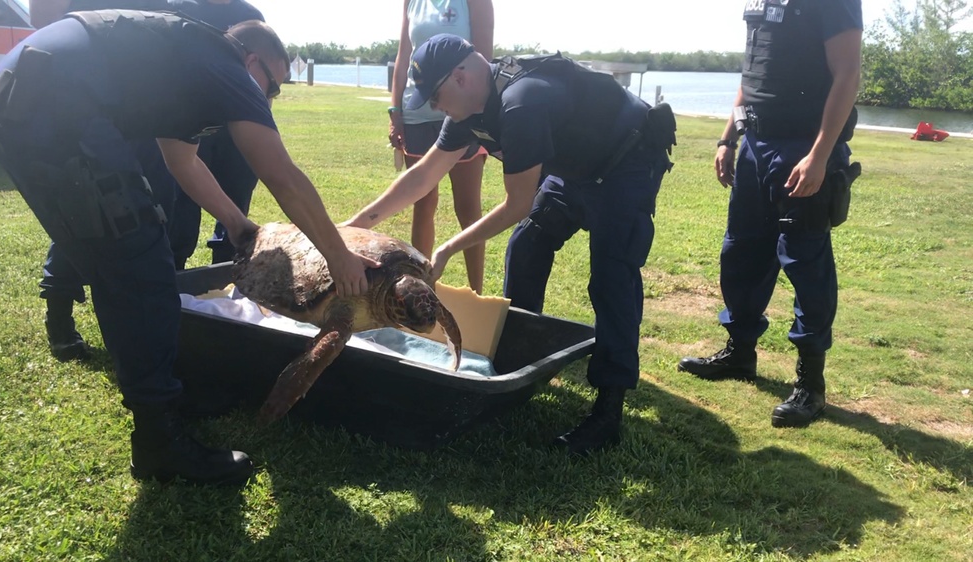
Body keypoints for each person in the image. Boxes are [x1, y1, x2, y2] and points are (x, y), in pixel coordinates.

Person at [0, 11, 377, 485]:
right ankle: (159, 443)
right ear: (252, 61)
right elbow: (283, 177)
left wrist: (236, 224)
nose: (266, 98)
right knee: (138, 264)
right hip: (52, 101)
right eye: (272, 86)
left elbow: (180, 160)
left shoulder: (188, 65)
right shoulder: (225, 69)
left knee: (118, 259)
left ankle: (163, 402)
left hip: (22, 95)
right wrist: (339, 255)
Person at [344, 34, 675, 456]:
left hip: (628, 159)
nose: (435, 107)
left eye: (436, 96)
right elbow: (422, 176)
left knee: (612, 278)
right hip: (574, 169)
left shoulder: (522, 101)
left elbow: (517, 204)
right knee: (528, 247)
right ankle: (522, 365)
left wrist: (446, 249)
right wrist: (353, 226)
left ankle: (609, 408)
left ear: (461, 77)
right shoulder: (469, 108)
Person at [676, 0, 863, 428]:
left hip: (802, 147)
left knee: (805, 260)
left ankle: (810, 384)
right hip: (756, 146)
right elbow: (752, 76)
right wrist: (728, 137)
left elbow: (847, 74)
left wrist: (819, 154)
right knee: (741, 253)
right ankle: (740, 353)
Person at [29, 0, 176, 362]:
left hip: (143, 106)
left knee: (154, 210)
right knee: (86, 207)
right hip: (86, 98)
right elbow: (46, 24)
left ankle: (165, 319)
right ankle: (59, 319)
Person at [388, 0, 492, 293]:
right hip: (419, 115)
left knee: (468, 208)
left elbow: (484, 58)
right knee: (423, 203)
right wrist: (395, 110)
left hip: (464, 116)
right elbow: (404, 55)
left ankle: (477, 294)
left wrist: (477, 115)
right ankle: (419, 290)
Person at [167, 0, 266, 270]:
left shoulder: (250, 15)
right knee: (182, 210)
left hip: (235, 131)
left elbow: (258, 82)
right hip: (187, 127)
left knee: (235, 204)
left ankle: (227, 278)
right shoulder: (179, 7)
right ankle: (174, 278)